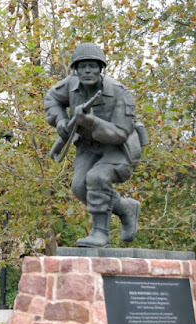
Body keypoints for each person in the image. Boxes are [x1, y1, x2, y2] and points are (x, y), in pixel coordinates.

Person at [44, 42, 145, 248]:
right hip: (88, 147)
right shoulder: (71, 85)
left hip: (119, 150)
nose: (87, 70)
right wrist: (61, 121)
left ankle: (100, 233)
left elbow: (121, 133)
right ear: (76, 70)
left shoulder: (119, 93)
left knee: (97, 178)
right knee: (80, 187)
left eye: (92, 66)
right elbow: (51, 98)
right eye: (82, 66)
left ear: (101, 69)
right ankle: (125, 208)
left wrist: (92, 122)